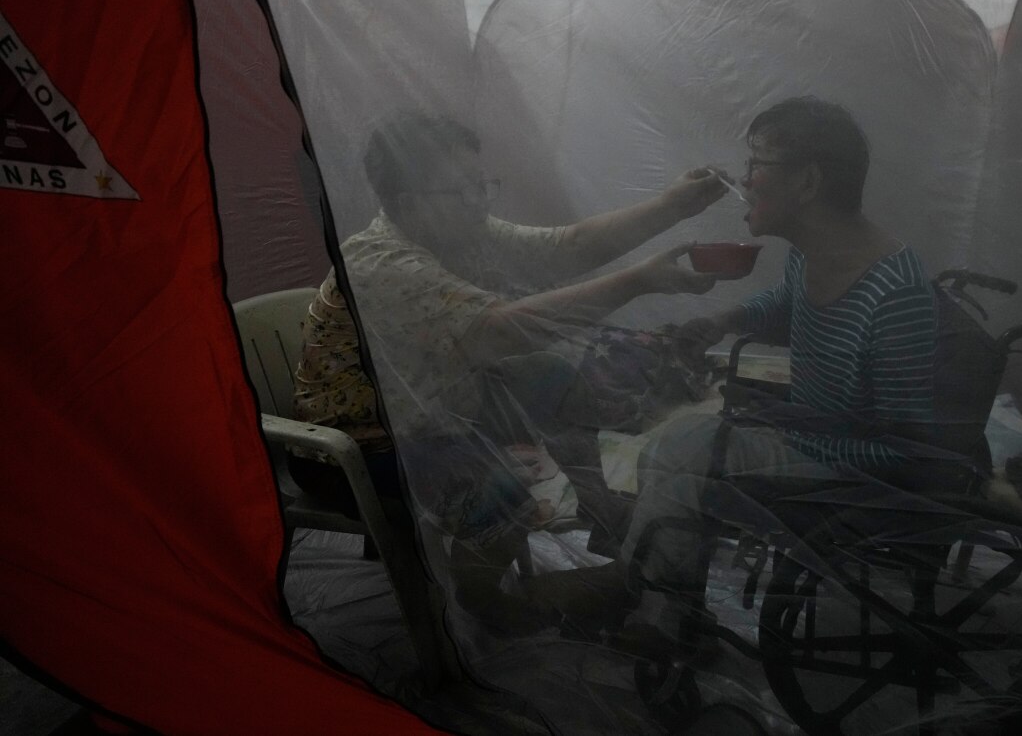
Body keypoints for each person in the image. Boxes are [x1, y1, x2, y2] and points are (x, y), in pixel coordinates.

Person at [534, 97, 939, 654]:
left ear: (808, 181)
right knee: (672, 449)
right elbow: (785, 303)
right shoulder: (816, 251)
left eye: (757, 164)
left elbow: (907, 450)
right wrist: (723, 319)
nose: (743, 180)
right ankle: (664, 600)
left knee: (687, 444)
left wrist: (787, 437)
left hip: (851, 465)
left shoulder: (894, 293)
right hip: (813, 432)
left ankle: (641, 596)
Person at [289, 113, 728, 626]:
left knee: (550, 372)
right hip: (355, 445)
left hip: (434, 404)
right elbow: (501, 330)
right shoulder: (381, 264)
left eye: (482, 186)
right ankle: (488, 603)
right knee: (501, 489)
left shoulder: (461, 233)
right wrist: (638, 281)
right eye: (462, 192)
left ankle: (599, 507)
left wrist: (672, 206)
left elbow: (567, 248)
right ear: (407, 204)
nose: (481, 202)